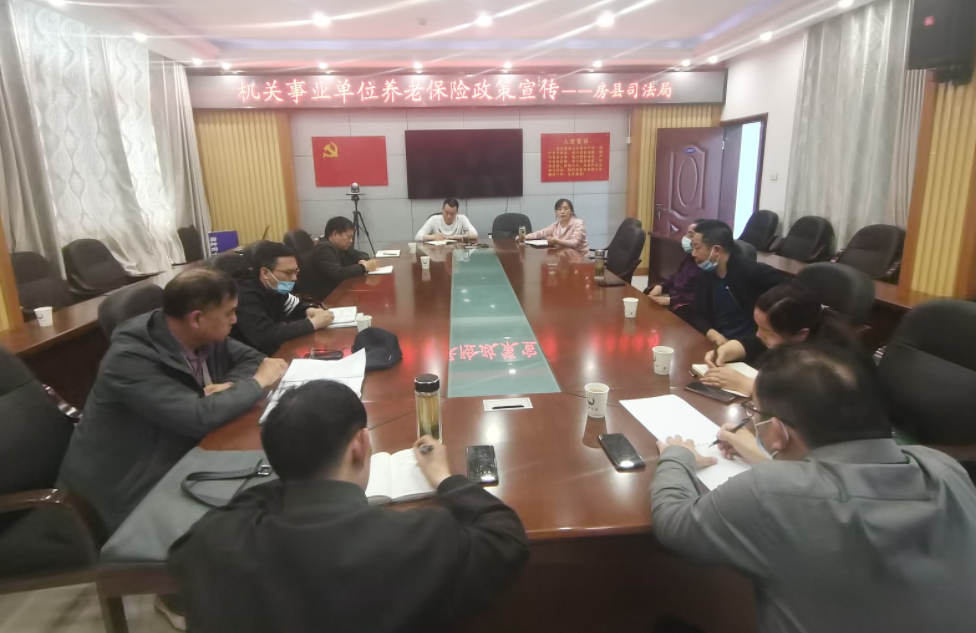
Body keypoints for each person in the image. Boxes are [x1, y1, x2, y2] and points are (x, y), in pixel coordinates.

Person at [651, 342, 976, 633]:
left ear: (778, 432)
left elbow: (674, 522)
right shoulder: (944, 470)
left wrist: (677, 456)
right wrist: (763, 457)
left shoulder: (769, 491)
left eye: (754, 412)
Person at [169, 380, 530, 633]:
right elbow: (506, 535)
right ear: (360, 445)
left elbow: (231, 514)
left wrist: (293, 471)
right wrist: (444, 478)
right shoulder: (415, 538)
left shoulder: (211, 543)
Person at [59, 269, 287, 532]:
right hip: (127, 489)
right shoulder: (128, 360)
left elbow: (255, 359)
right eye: (229, 313)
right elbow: (198, 417)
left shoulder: (200, 334)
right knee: (251, 521)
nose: (235, 320)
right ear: (197, 318)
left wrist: (233, 386)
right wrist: (255, 383)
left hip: (180, 453)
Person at [700, 282, 859, 396]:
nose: (758, 335)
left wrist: (746, 384)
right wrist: (727, 350)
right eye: (758, 327)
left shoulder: (829, 362)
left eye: (767, 331)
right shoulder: (791, 336)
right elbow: (757, 343)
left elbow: (801, 401)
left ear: (801, 334)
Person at [688, 220, 784, 346]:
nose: (693, 253)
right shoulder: (704, 275)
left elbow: (790, 292)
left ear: (716, 250)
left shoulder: (751, 272)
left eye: (697, 247)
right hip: (718, 343)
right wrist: (711, 333)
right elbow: (697, 314)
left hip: (749, 346)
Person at [231, 241, 336, 355]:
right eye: (288, 272)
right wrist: (311, 324)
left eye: (296, 271)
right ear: (265, 272)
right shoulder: (245, 294)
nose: (294, 278)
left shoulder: (275, 286)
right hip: (252, 356)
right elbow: (264, 335)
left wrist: (309, 310)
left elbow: (293, 305)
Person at [295, 216, 379, 301]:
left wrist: (362, 260)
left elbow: (361, 254)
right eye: (348, 237)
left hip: (334, 292)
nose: (351, 241)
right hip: (319, 297)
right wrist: (364, 267)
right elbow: (338, 273)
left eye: (352, 238)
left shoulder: (340, 246)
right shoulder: (324, 249)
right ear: (335, 234)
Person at [644, 221, 704, 323]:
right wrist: (661, 286)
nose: (685, 237)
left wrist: (670, 300)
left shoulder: (703, 265)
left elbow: (697, 296)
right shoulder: (690, 257)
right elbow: (677, 276)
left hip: (683, 306)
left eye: (690, 235)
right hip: (673, 298)